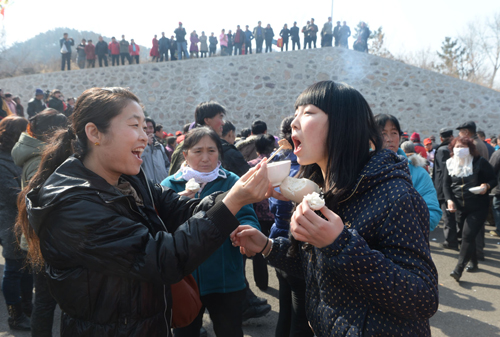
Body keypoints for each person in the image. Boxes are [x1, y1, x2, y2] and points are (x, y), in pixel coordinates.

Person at [16, 87, 277, 337]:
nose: (145, 136)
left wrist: (236, 193)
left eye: (145, 127)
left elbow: (180, 209)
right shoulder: (73, 205)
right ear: (94, 133)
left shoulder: (129, 180)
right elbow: (162, 258)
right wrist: (232, 202)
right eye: (134, 125)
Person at [232, 81, 439, 336]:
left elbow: (423, 298)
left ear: (344, 124)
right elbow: (316, 268)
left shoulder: (396, 196)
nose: (294, 123)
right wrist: (267, 246)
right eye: (295, 114)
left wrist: (340, 244)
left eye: (307, 113)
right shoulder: (315, 191)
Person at [162, 127, 262, 337]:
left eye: (212, 151)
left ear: (219, 153)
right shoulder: (169, 185)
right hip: (184, 281)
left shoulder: (232, 181)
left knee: (230, 331)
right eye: (198, 151)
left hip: (226, 280)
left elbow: (246, 215)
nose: (205, 158)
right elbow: (161, 228)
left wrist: (248, 232)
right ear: (185, 154)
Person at [11, 109, 68, 336]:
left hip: (42, 237)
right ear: (52, 133)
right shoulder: (40, 159)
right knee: (47, 301)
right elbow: (42, 203)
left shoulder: (39, 154)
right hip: (44, 239)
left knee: (48, 300)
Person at [268, 116, 314, 337]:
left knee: (285, 309)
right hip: (297, 243)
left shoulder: (276, 165)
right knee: (301, 315)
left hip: (277, 238)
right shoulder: (306, 169)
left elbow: (272, 204)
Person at [375, 114, 441, 232]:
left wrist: (400, 230)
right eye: (383, 133)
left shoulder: (417, 173)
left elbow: (432, 213)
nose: (389, 139)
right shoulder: (360, 168)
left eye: (394, 133)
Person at [445, 136, 496, 281]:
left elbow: (493, 179)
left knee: (467, 235)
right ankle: (473, 262)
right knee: (464, 236)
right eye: (457, 147)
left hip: (478, 206)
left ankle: (458, 269)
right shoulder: (449, 163)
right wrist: (449, 200)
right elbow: (446, 185)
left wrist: (485, 186)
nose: (459, 150)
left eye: (463, 147)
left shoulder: (480, 162)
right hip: (460, 207)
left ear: (470, 149)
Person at [0, 116, 31, 331]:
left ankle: (28, 308)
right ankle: (15, 315)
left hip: (25, 221)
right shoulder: (2, 162)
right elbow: (12, 195)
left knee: (27, 267)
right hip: (10, 221)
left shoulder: (18, 156)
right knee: (13, 269)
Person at [169, 101, 226, 175]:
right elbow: (175, 179)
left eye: (211, 151)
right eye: (198, 151)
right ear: (207, 120)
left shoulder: (219, 143)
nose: (223, 123)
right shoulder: (186, 145)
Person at [433, 128, 458, 249]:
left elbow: (443, 172)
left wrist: (442, 188)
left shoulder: (442, 150)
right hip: (451, 186)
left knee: (447, 216)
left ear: (441, 138)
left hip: (444, 187)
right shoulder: (450, 149)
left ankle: (450, 241)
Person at [142, 117, 170, 183]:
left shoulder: (159, 146)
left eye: (151, 128)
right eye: (145, 128)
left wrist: (166, 178)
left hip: (162, 186)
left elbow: (167, 164)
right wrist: (146, 146)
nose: (148, 130)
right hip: (148, 187)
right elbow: (137, 164)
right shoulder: (137, 147)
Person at [489, 150, 500, 237]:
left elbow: (491, 169)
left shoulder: (498, 153)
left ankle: (499, 229)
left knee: (496, 206)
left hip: (498, 187)